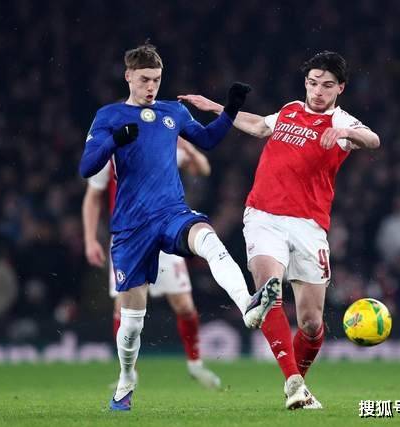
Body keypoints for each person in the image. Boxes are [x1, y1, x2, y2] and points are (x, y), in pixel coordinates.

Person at [79, 43, 280, 411]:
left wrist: (230, 109)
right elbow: (86, 167)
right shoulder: (109, 115)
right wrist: (113, 140)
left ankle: (247, 305)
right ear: (128, 76)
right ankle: (126, 379)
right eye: (144, 79)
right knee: (132, 323)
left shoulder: (173, 111)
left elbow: (207, 139)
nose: (151, 86)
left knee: (209, 240)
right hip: (131, 227)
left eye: (156, 79)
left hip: (172, 213)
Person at [179, 50, 380, 409]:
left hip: (310, 227)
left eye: (327, 85)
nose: (318, 91)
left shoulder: (341, 121)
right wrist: (218, 108)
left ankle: (298, 383)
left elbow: (373, 140)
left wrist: (345, 132)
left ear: (340, 88)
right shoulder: (289, 110)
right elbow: (259, 126)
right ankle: (293, 382)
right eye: (313, 83)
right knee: (269, 291)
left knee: (311, 324)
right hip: (263, 216)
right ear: (306, 82)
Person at [82, 137, 221, 389]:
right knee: (123, 309)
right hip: (128, 237)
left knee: (184, 305)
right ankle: (128, 373)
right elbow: (93, 196)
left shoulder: (161, 146)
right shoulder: (109, 154)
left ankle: (195, 365)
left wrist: (187, 147)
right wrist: (90, 239)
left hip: (164, 231)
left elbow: (202, 169)